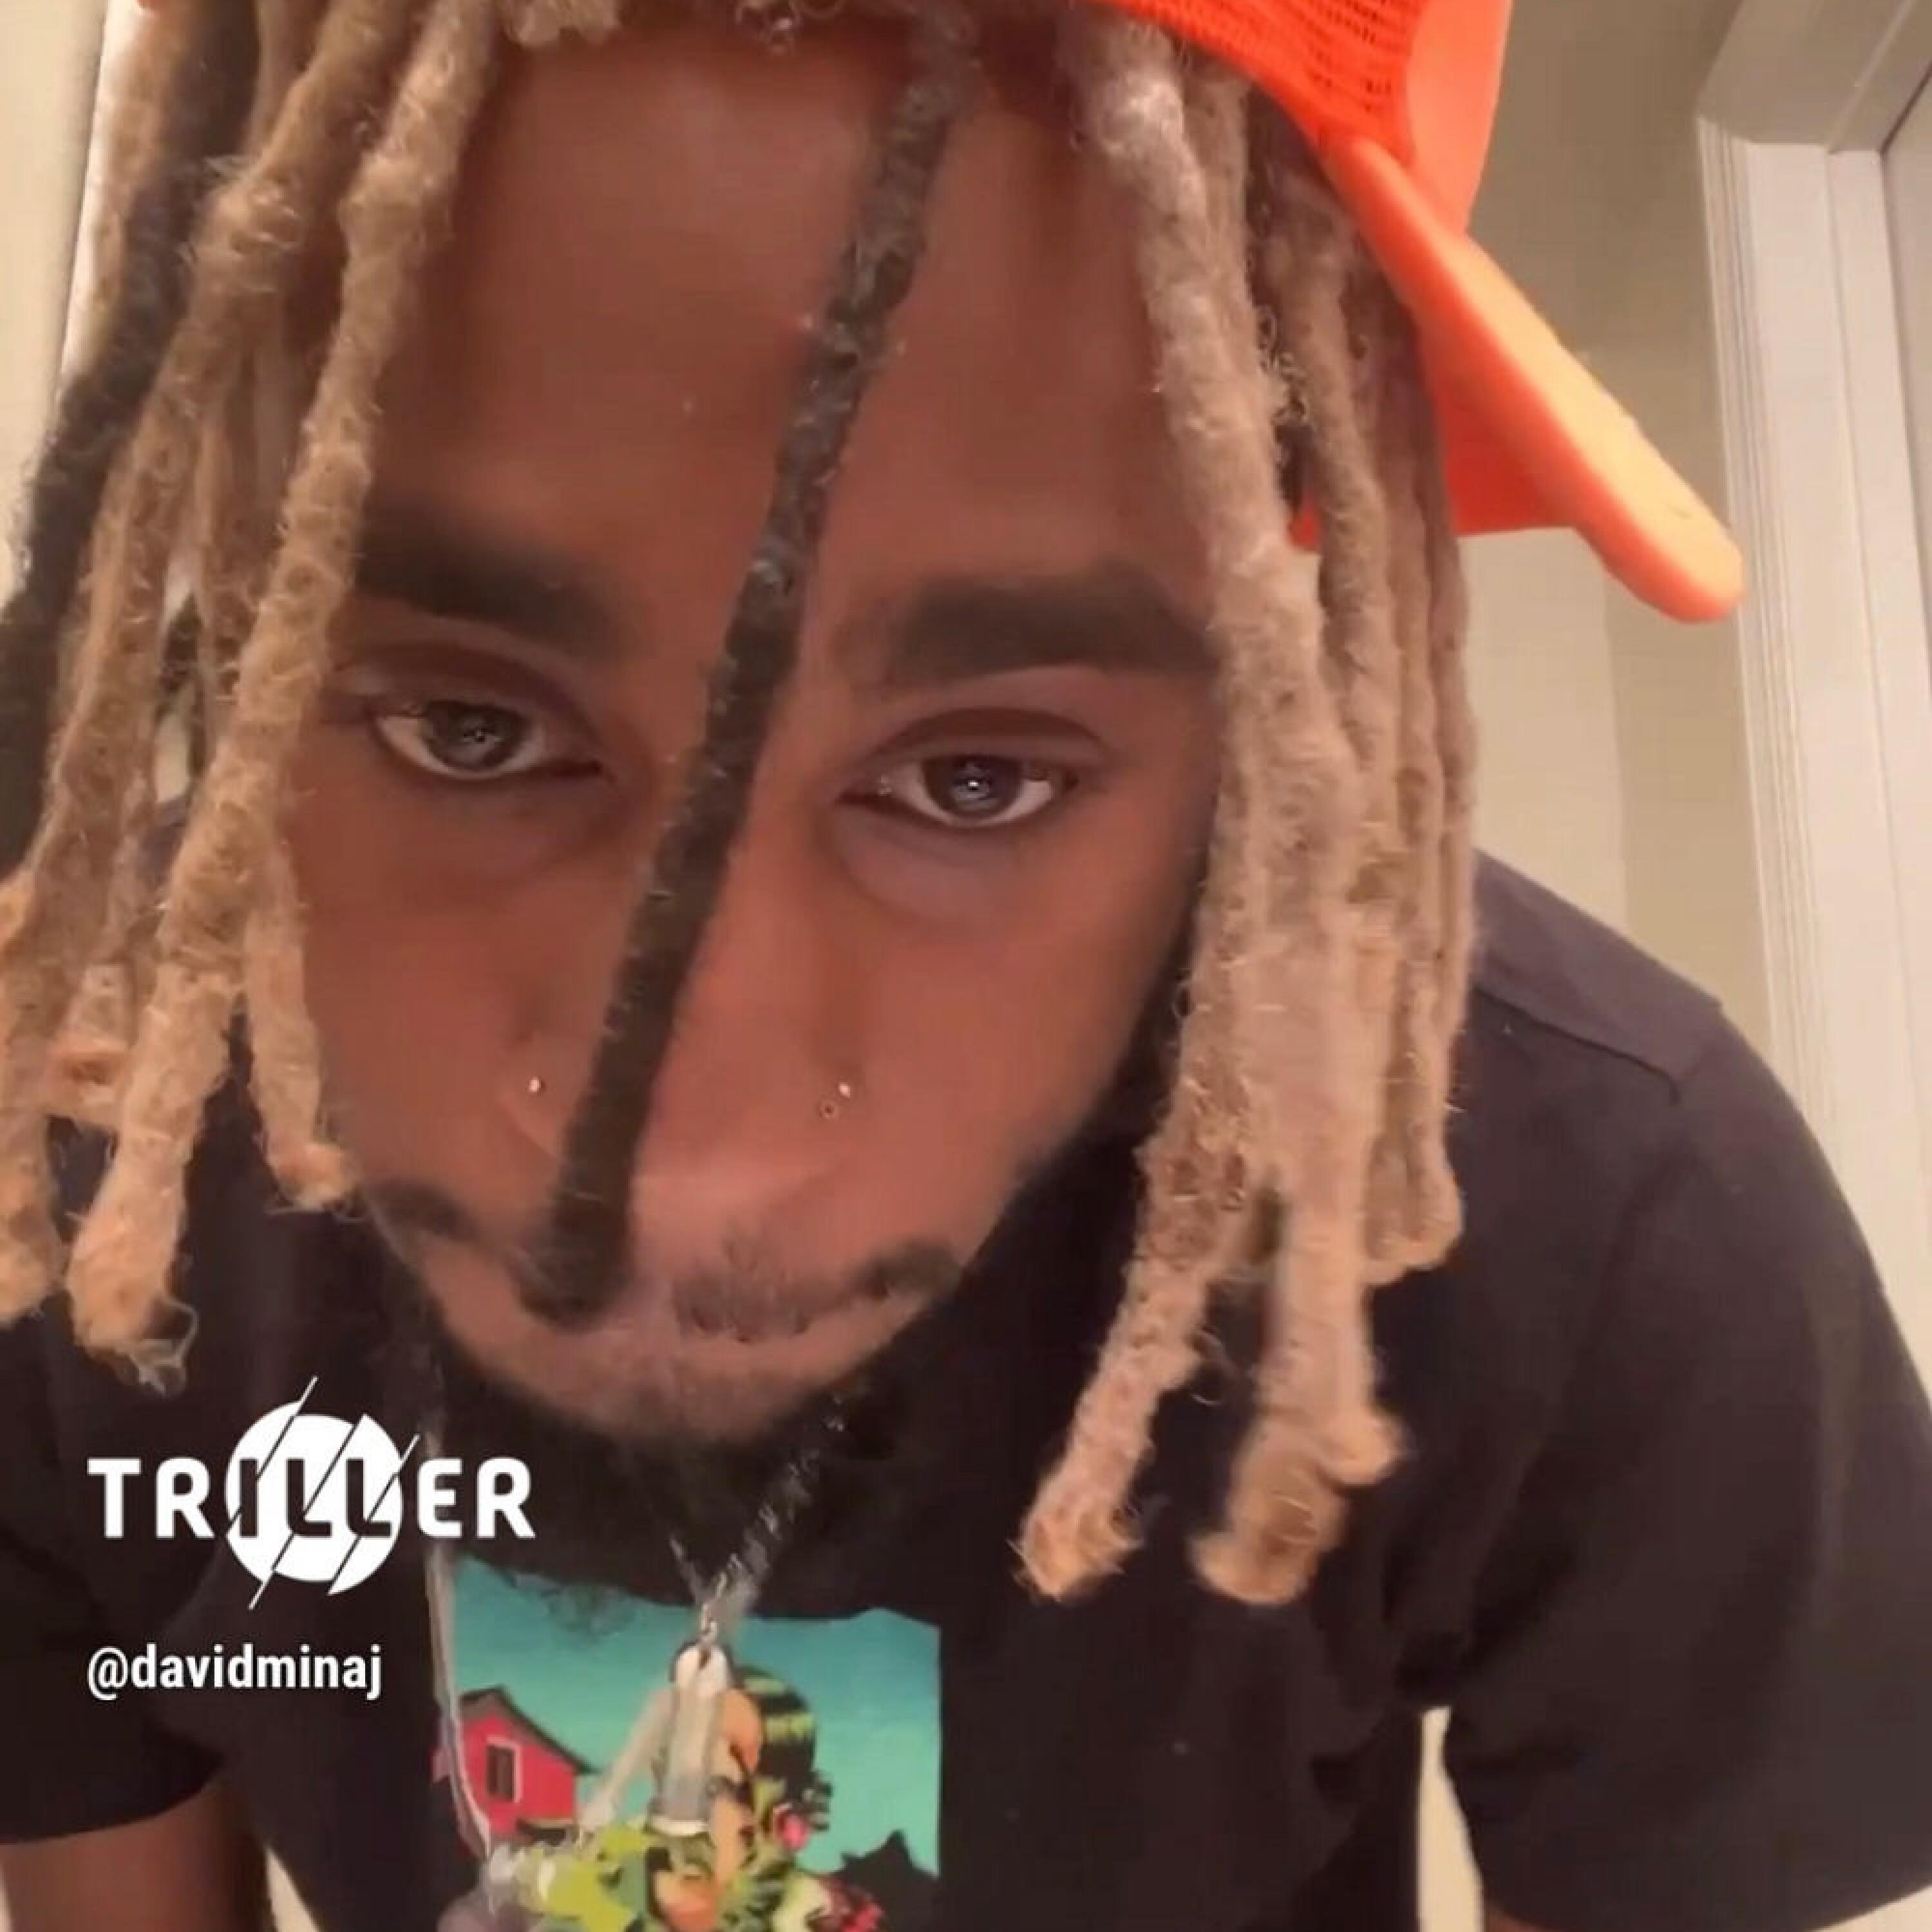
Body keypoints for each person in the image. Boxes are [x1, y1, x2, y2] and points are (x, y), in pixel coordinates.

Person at [0, 0, 1927, 1927]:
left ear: (1256, 652)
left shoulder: (1599, 1211)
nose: (687, 1154)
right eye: (471, 730)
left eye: (975, 778)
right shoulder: (48, 1171)